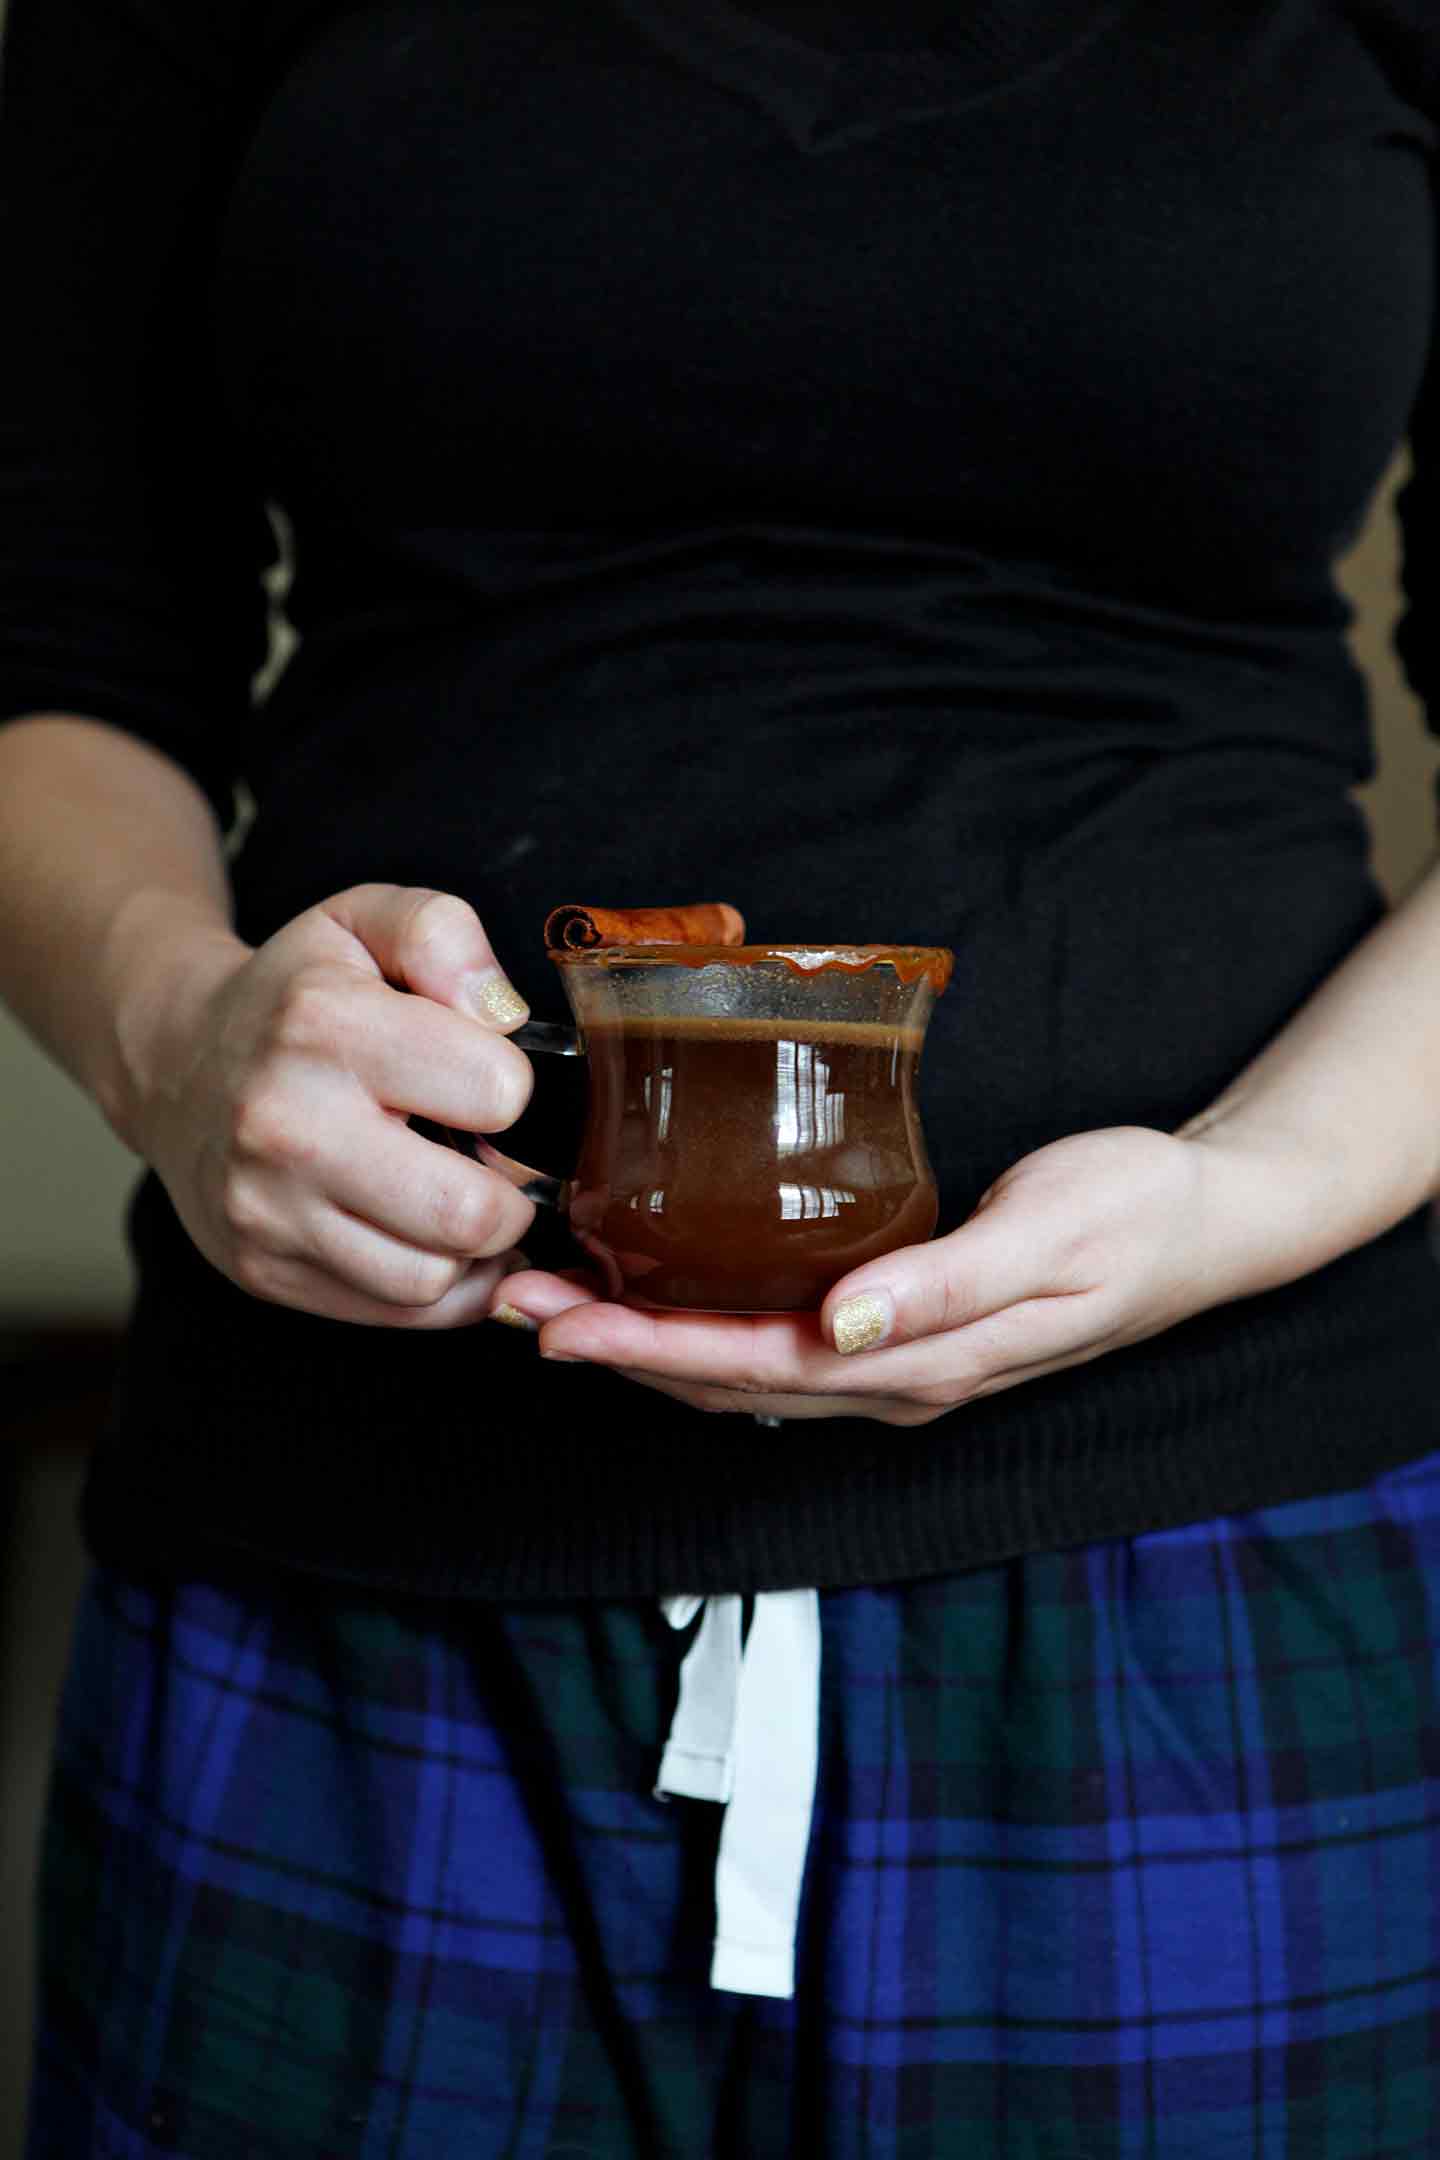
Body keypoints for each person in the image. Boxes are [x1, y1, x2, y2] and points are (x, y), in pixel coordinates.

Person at [3, 0, 1439, 2150]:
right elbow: (46, 634)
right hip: (359, 1573)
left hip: (1222, 1548)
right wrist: (175, 1030)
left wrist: (1248, 1189)